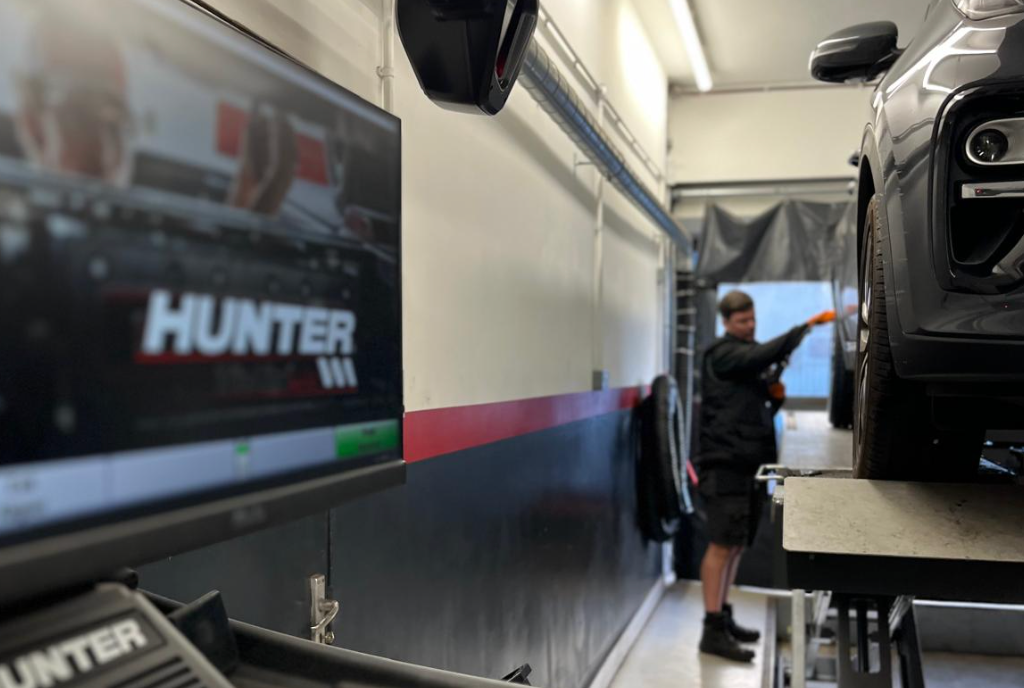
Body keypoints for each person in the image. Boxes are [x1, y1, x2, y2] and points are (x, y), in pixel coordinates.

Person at [697, 290, 834, 662]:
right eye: (742, 321)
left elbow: (751, 406)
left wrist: (774, 398)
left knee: (736, 543)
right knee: (721, 545)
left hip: (747, 463)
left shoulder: (745, 358)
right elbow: (760, 355)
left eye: (752, 319)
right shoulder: (724, 354)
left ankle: (722, 616)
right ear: (726, 322)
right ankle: (711, 629)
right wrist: (803, 328)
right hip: (724, 464)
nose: (750, 326)